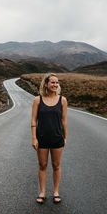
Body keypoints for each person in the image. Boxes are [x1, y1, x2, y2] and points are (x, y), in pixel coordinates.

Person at [31, 73, 68, 204]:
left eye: (57, 82)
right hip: (42, 138)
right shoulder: (37, 100)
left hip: (57, 137)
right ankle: (42, 192)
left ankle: (56, 192)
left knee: (56, 165)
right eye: (52, 82)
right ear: (46, 84)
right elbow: (34, 121)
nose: (55, 85)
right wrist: (34, 138)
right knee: (43, 165)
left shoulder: (62, 100)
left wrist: (65, 137)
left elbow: (64, 121)